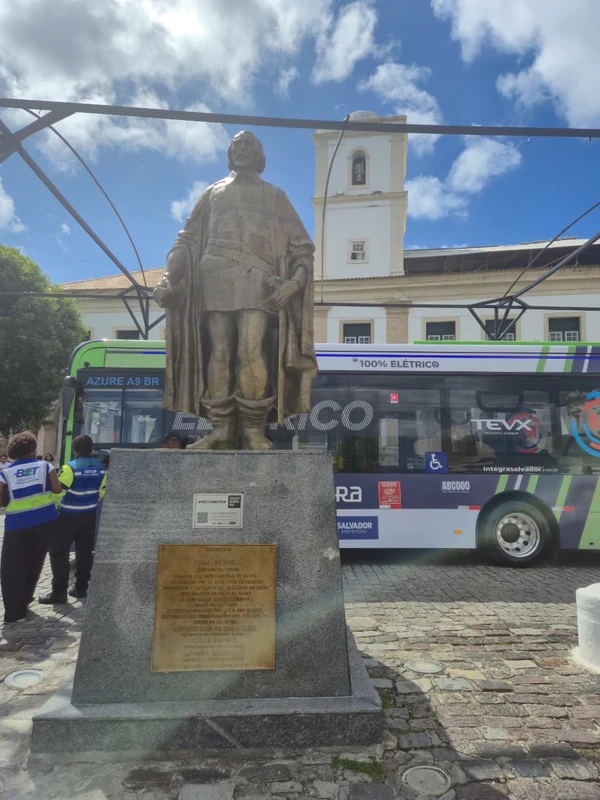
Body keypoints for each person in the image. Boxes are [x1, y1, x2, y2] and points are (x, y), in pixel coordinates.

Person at [153, 130, 317, 451]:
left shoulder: (276, 197)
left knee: (250, 350)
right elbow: (185, 241)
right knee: (220, 351)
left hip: (257, 279)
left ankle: (253, 430)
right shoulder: (212, 193)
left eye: (250, 145)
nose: (243, 148)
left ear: (261, 158)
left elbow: (303, 250)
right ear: (230, 155)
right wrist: (169, 277)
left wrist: (293, 284)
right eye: (237, 145)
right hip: (213, 277)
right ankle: (222, 430)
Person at [0, 431, 62, 623]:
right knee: (34, 562)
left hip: (17, 524)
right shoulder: (45, 466)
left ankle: (14, 613)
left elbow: (1, 502)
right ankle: (26, 599)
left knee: (12, 567)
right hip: (45, 521)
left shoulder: (5, 473)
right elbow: (57, 489)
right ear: (32, 449)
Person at [39, 435, 106, 604]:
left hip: (68, 516)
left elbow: (59, 491)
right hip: (89, 515)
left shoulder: (70, 468)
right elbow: (102, 492)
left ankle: (59, 592)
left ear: (74, 449)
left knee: (59, 553)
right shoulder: (100, 468)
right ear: (91, 449)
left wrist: (55, 508)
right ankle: (81, 588)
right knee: (84, 552)